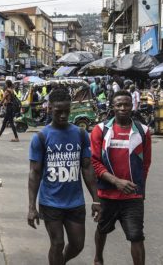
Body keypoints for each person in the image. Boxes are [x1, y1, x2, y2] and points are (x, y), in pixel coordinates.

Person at [28, 88, 100, 265]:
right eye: (58, 111)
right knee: (57, 243)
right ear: (49, 109)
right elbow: (35, 173)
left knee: (77, 244)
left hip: (75, 202)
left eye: (66, 111)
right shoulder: (41, 137)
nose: (62, 115)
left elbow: (87, 167)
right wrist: (31, 207)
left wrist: (96, 199)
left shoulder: (81, 134)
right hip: (50, 202)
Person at [91, 90, 151, 265]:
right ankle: (98, 258)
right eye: (119, 105)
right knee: (102, 229)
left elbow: (145, 164)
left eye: (126, 104)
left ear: (132, 106)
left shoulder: (143, 131)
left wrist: (141, 190)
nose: (123, 108)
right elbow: (94, 163)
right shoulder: (100, 130)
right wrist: (116, 181)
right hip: (106, 195)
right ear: (113, 107)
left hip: (132, 197)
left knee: (137, 236)